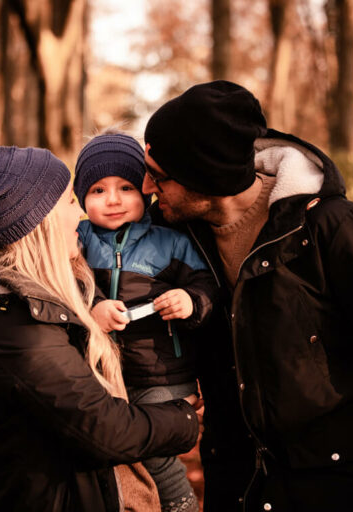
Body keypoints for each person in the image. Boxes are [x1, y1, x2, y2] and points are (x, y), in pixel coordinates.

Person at [142, 81, 353, 511]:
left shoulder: (333, 230)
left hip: (342, 491)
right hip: (239, 490)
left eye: (158, 175)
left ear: (205, 176)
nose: (145, 187)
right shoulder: (179, 244)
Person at [0, 146, 201, 512]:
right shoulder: (18, 330)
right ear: (38, 223)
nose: (80, 212)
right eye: (68, 200)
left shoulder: (39, 301)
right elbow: (105, 428)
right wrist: (185, 416)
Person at [73, 132, 217, 512]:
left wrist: (190, 301)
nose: (114, 200)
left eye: (126, 187)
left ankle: (181, 503)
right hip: (107, 371)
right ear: (81, 199)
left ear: (147, 190)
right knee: (114, 448)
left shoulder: (170, 241)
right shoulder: (78, 241)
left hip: (164, 373)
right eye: (98, 191)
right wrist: (96, 307)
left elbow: (207, 286)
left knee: (151, 449)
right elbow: (65, 284)